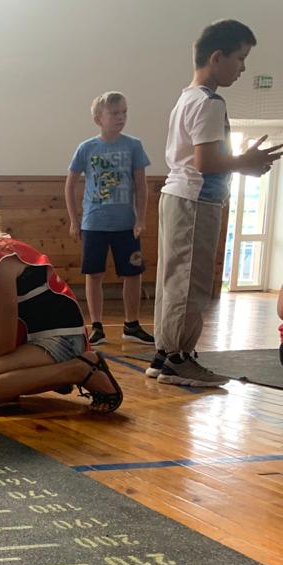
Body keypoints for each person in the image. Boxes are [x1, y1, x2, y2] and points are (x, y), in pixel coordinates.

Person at [0, 170, 123, 413]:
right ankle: (14, 381)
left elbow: (3, 341)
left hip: (61, 340)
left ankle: (78, 369)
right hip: (28, 338)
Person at [149, 19, 281, 386]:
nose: (243, 68)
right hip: (194, 201)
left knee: (173, 281)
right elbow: (205, 162)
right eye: (241, 58)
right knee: (189, 283)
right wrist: (245, 162)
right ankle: (177, 359)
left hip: (179, 198)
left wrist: (241, 164)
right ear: (217, 57)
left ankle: (164, 354)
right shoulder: (209, 102)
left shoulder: (187, 98)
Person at [65, 91, 154, 346]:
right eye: (114, 113)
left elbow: (141, 186)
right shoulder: (87, 148)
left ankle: (132, 325)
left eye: (124, 112)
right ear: (98, 119)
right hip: (94, 223)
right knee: (94, 274)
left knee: (133, 274)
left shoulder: (133, 145)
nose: (120, 117)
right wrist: (74, 220)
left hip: (125, 224)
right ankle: (96, 326)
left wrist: (140, 219)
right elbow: (70, 185)